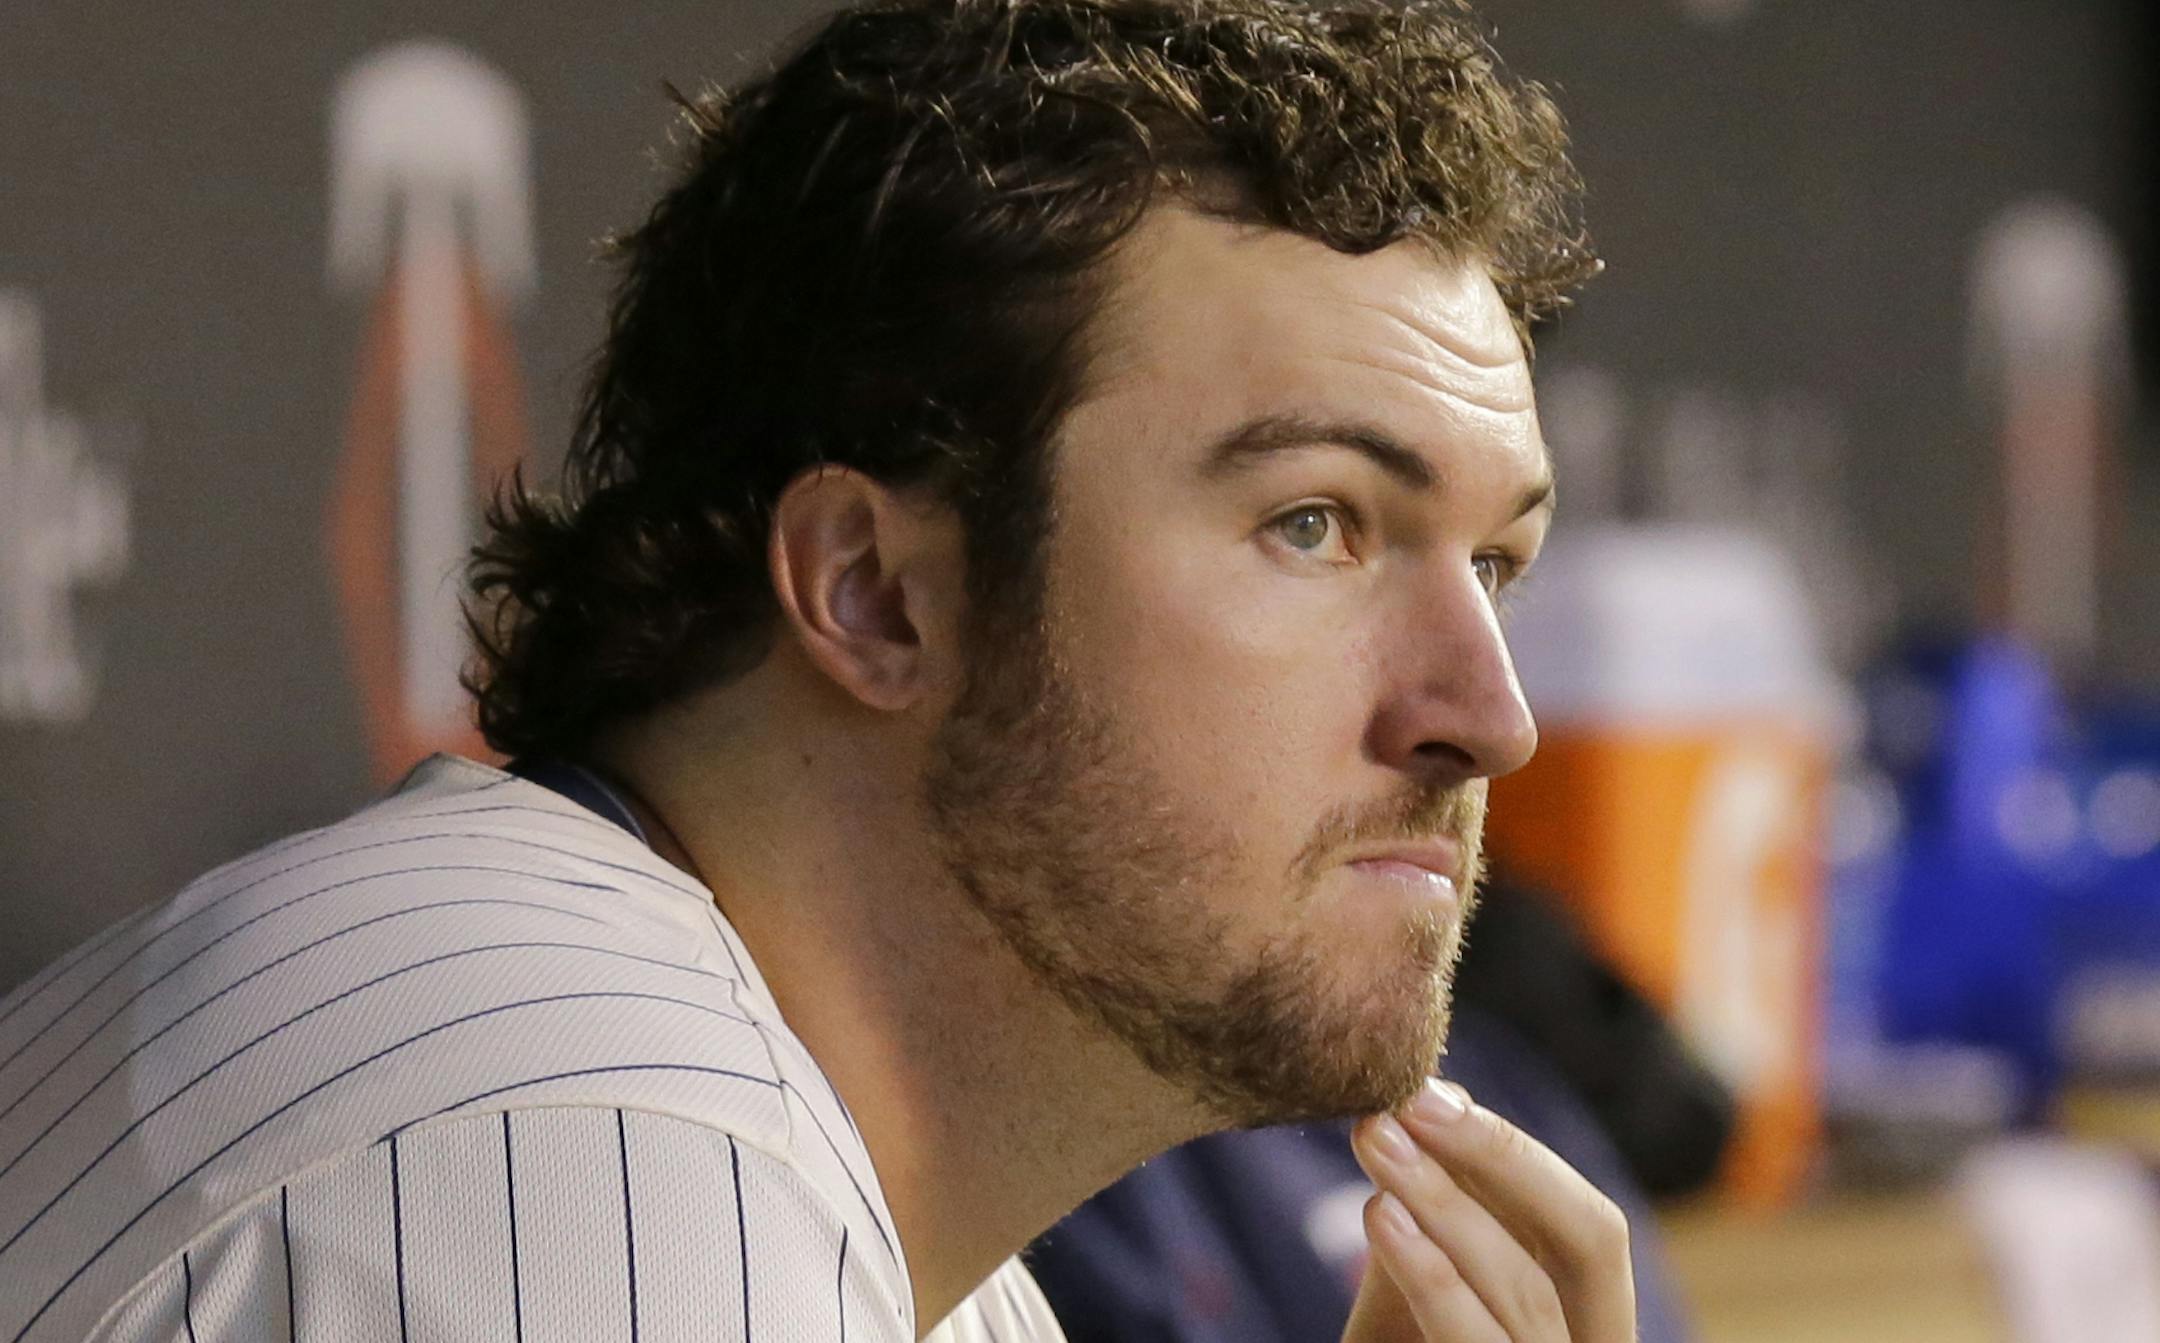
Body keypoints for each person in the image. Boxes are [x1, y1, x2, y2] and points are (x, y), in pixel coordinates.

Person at [0, 0, 1623, 1337]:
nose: (1489, 717)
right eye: (1317, 526)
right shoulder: (592, 1145)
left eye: (1493, 564)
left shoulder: (853, 1205)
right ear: (874, 594)